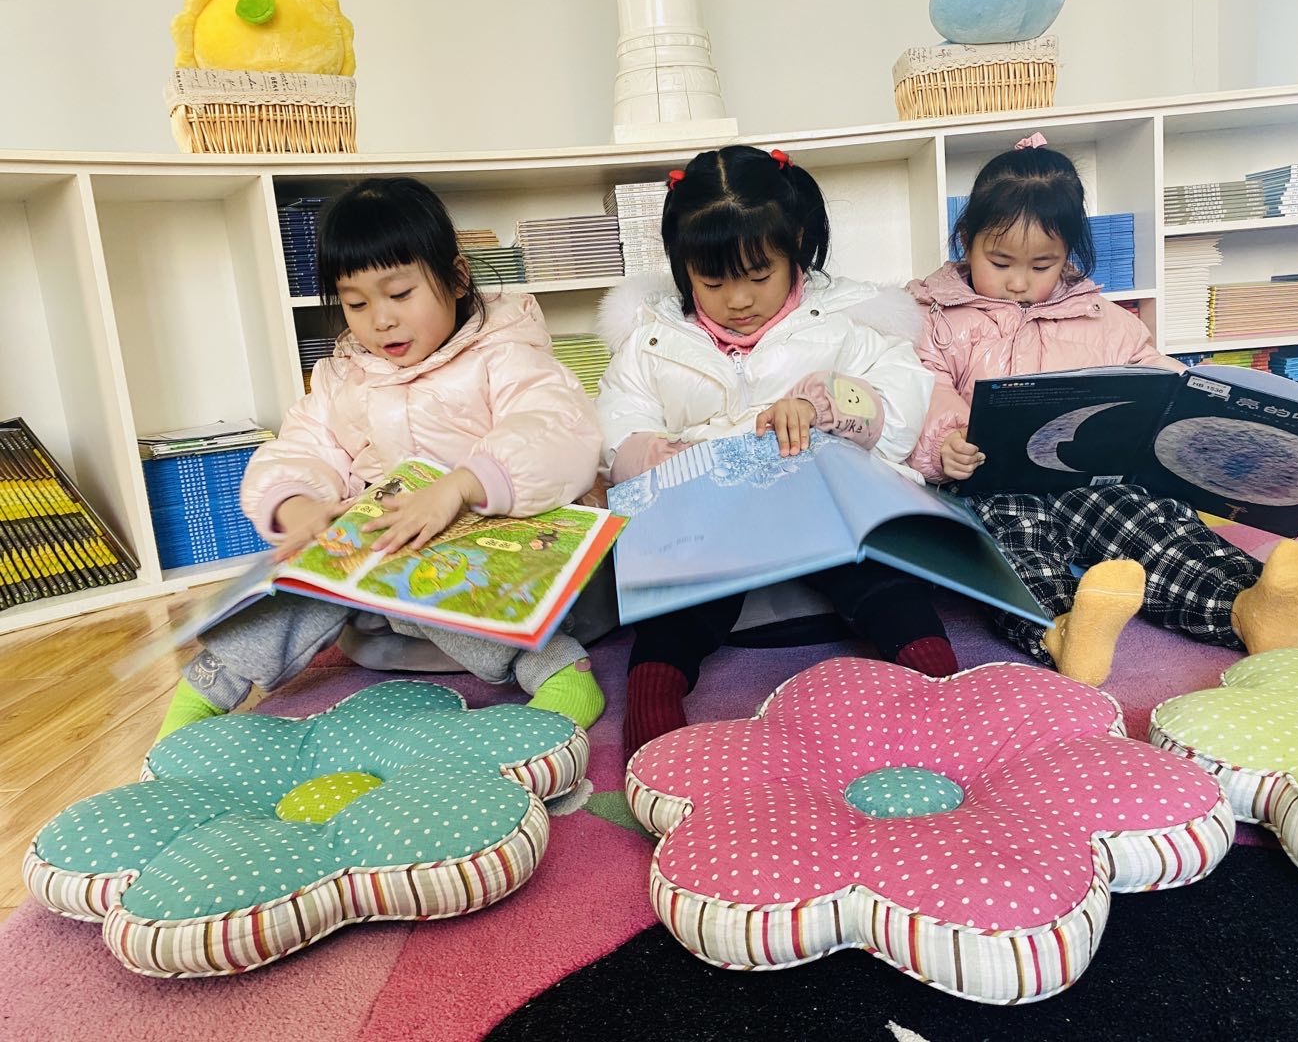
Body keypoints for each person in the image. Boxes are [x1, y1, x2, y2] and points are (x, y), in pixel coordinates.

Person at [156, 177, 606, 740]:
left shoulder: (506, 353)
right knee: (298, 578)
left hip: (496, 548)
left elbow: (556, 430)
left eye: (400, 294)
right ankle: (207, 688)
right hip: (383, 582)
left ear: (456, 278)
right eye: (356, 303)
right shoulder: (344, 375)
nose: (381, 320)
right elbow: (303, 444)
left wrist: (462, 486)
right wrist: (298, 506)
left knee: (439, 566)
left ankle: (558, 669)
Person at [907, 135, 1298, 686]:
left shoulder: (1104, 319)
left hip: (1087, 478)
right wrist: (946, 441)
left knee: (1144, 521)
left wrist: (1202, 404)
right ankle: (1064, 629)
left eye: (1042, 265)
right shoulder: (937, 318)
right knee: (1012, 542)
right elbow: (922, 388)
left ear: (1068, 255)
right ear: (967, 241)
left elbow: (1156, 376)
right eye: (1000, 262)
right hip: (989, 482)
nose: (1018, 282)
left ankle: (1245, 607)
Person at [596, 145, 959, 760]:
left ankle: (943, 685)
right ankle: (654, 711)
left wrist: (824, 407)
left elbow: (900, 400)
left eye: (758, 276)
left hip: (820, 509)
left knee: (879, 574)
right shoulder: (650, 339)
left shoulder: (849, 319)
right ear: (683, 268)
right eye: (712, 282)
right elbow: (619, 420)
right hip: (714, 519)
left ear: (795, 246)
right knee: (676, 597)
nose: (737, 300)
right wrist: (655, 457)